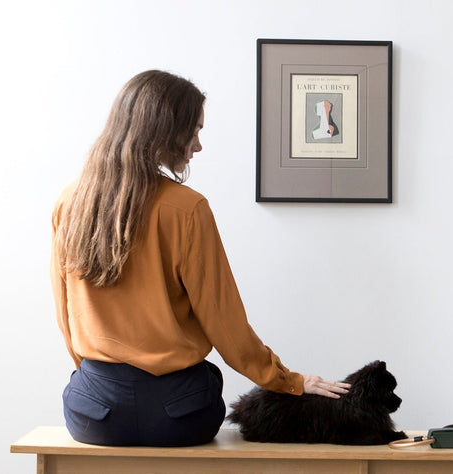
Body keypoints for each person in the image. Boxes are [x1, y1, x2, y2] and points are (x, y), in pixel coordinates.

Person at [50, 70, 349, 447]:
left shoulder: (69, 203)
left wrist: (98, 382)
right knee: (205, 378)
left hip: (95, 416)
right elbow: (224, 322)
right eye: (193, 131)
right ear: (163, 131)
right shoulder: (187, 208)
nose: (198, 146)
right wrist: (289, 381)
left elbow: (66, 315)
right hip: (178, 416)